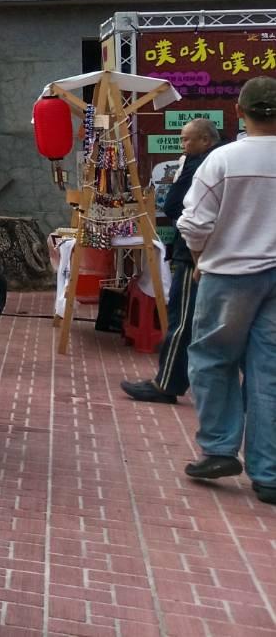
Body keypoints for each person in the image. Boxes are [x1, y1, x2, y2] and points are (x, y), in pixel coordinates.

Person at [177, 77, 276, 503]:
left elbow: (192, 224)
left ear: (240, 111)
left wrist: (200, 261)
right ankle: (268, 471)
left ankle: (219, 447)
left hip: (229, 274)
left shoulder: (223, 160)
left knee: (213, 359)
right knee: (268, 371)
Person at [122, 117, 221, 405]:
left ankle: (167, 383)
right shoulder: (217, 159)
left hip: (197, 254)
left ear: (205, 140)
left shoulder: (202, 163)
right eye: (182, 139)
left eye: (188, 139)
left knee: (183, 321)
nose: (184, 145)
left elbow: (177, 206)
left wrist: (196, 254)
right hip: (223, 256)